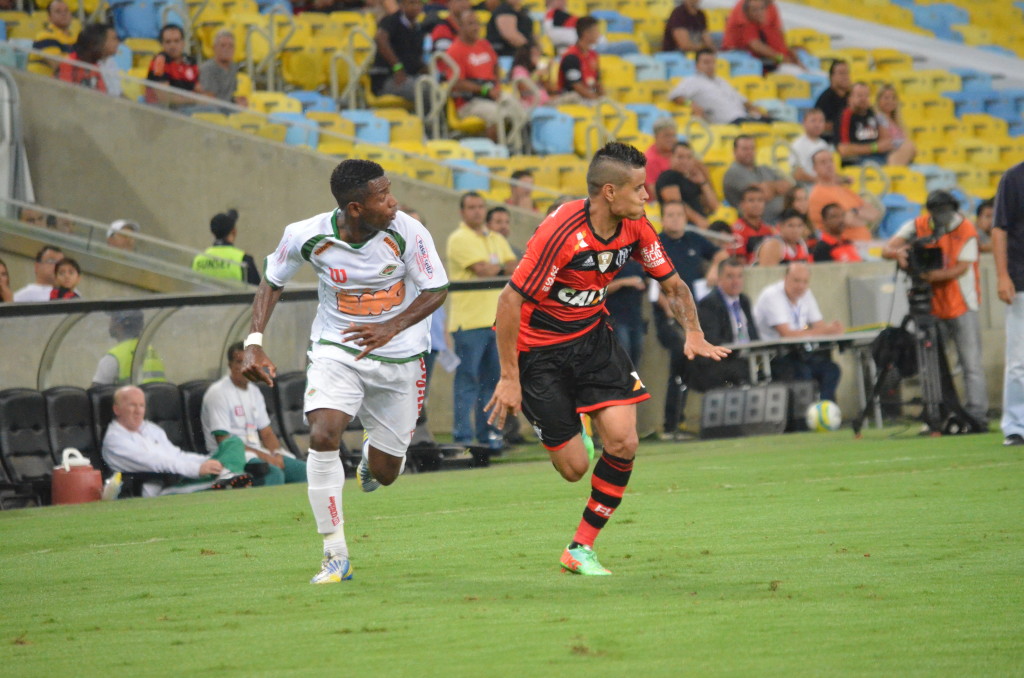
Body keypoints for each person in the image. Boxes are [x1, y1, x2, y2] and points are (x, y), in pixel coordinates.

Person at [485, 142, 729, 575]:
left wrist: (693, 330)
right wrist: (509, 377)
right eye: (639, 188)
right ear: (609, 193)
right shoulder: (561, 232)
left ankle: (580, 548)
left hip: (593, 340)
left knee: (624, 441)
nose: (647, 197)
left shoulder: (636, 226)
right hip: (538, 353)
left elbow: (674, 286)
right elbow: (509, 302)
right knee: (575, 468)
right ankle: (574, 422)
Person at [240, 159, 449, 584]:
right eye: (383, 196)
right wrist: (254, 342)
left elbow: (436, 289)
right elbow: (272, 279)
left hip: (401, 357)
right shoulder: (306, 235)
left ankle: (373, 459)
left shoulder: (406, 231)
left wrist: (389, 327)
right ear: (356, 208)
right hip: (338, 349)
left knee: (388, 474)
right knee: (323, 434)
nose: (393, 203)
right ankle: (335, 554)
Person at [882, 190, 987, 427]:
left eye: (945, 211)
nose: (941, 216)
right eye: (937, 211)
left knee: (970, 363)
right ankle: (940, 411)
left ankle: (976, 415)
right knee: (932, 363)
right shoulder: (918, 226)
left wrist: (928, 275)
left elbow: (959, 268)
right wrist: (899, 253)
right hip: (931, 304)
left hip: (961, 302)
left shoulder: (966, 230)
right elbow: (887, 249)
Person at [446, 191, 517, 449]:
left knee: (494, 383)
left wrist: (496, 267)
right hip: (469, 323)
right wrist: (498, 268)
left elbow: (514, 265)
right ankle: (463, 438)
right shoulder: (458, 239)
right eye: (471, 207)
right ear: (462, 212)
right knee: (467, 382)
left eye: (480, 207)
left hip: (496, 323)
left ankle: (490, 437)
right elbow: (482, 270)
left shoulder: (496, 237)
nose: (476, 211)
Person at [653, 200, 727, 439]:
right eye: (670, 215)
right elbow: (653, 283)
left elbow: (723, 253)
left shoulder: (695, 240)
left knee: (692, 364)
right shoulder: (657, 243)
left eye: (679, 214)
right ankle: (670, 423)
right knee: (679, 360)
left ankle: (684, 421)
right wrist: (667, 307)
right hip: (669, 317)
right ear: (662, 219)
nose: (675, 219)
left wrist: (714, 267)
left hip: (694, 317)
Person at [102, 385, 252, 498]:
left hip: (186, 474)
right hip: (164, 488)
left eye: (141, 405)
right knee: (237, 476)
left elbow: (177, 455)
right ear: (117, 409)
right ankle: (230, 474)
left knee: (233, 443)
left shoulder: (150, 429)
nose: (139, 411)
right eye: (132, 405)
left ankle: (228, 473)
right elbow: (158, 463)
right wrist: (197, 469)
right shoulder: (115, 440)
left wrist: (208, 461)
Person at [201, 342, 307, 487]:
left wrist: (276, 453)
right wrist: (268, 458)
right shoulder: (218, 393)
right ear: (230, 365)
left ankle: (296, 509)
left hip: (257, 452)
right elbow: (225, 442)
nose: (244, 367)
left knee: (304, 472)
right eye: (239, 362)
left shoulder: (254, 391)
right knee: (273, 473)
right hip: (231, 457)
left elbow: (267, 433)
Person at [752, 262, 842, 401]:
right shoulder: (772, 296)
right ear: (785, 278)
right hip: (772, 356)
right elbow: (787, 334)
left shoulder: (806, 294)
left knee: (831, 370)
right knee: (802, 373)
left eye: (805, 282)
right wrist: (825, 330)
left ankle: (823, 412)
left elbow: (820, 326)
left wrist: (830, 330)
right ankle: (804, 419)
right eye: (796, 280)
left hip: (798, 353)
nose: (800, 286)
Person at [444, 10, 529, 143]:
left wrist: (497, 85)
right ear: (460, 27)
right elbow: (457, 83)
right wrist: (485, 90)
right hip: (469, 101)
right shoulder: (454, 51)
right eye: (471, 24)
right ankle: (497, 153)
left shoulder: (483, 44)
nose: (476, 27)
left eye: (477, 23)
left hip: (491, 93)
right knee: (498, 115)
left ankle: (518, 147)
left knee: (520, 109)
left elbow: (495, 65)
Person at [690, 256, 759, 391]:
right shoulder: (709, 303)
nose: (736, 281)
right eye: (730, 277)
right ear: (719, 279)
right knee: (744, 372)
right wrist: (740, 351)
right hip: (722, 361)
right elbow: (713, 341)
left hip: (746, 357)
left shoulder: (744, 301)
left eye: (739, 276)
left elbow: (754, 335)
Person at [992, 162, 1024, 446]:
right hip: (1022, 279)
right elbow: (999, 229)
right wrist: (1003, 275)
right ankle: (1015, 426)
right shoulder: (1014, 178)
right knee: (1019, 359)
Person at [668, 49, 772, 125]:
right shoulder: (693, 81)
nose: (710, 66)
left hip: (743, 116)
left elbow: (742, 100)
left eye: (712, 62)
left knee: (775, 122)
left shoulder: (722, 81)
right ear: (697, 65)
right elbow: (675, 96)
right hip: (727, 122)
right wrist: (692, 104)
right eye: (705, 62)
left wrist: (756, 110)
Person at [806, 149, 882, 240]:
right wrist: (861, 214)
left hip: (863, 242)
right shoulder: (818, 194)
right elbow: (848, 221)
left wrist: (854, 212)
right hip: (843, 245)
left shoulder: (844, 190)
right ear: (815, 168)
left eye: (831, 161)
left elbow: (875, 213)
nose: (829, 165)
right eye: (823, 162)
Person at [838, 82, 914, 167]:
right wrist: (875, 147)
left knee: (909, 147)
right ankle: (892, 175)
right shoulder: (846, 116)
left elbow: (887, 141)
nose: (863, 99)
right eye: (859, 95)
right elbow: (843, 149)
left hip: (882, 156)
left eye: (866, 96)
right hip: (862, 160)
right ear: (850, 98)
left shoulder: (872, 113)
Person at [723, 135, 792, 224]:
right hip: (759, 222)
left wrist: (770, 187)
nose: (749, 152)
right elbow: (761, 194)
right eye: (745, 149)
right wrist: (776, 187)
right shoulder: (734, 172)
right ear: (735, 151)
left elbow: (789, 185)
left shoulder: (764, 168)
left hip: (782, 218)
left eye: (752, 148)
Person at [371, 0, 428, 103]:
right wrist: (397, 67)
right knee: (424, 90)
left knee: (439, 88)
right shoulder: (391, 21)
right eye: (412, 3)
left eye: (419, 4)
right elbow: (380, 39)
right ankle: (427, 119)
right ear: (402, 6)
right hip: (387, 79)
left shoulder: (418, 28)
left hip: (411, 77)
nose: (416, 7)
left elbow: (414, 58)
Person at [722, 0, 801, 74]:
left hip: (771, 57)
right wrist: (781, 59)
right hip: (742, 54)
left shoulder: (771, 7)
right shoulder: (749, 8)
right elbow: (754, 44)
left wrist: (791, 56)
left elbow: (779, 36)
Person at [91, 310, 167, 387]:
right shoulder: (151, 350)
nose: (110, 323)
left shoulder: (113, 357)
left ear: (119, 325)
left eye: (112, 319)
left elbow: (95, 391)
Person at [653, 140, 718, 226]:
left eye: (689, 157)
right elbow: (676, 204)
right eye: (680, 157)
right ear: (671, 158)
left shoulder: (692, 179)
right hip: (682, 228)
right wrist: (700, 221)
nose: (685, 161)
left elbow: (714, 207)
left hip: (699, 226)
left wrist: (703, 182)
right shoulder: (668, 177)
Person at [192, 209, 261, 285]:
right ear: (234, 231)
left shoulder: (198, 259)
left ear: (213, 232)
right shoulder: (243, 259)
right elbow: (257, 292)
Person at [145, 24, 200, 107]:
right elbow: (164, 97)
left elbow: (199, 89)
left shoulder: (190, 61)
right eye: (168, 42)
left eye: (176, 41)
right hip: (164, 111)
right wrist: (194, 100)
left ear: (183, 43)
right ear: (162, 44)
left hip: (188, 107)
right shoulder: (159, 61)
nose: (172, 45)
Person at [606, 259, 647, 368]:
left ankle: (633, 383)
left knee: (636, 354)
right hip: (617, 318)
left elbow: (646, 286)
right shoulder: (611, 264)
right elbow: (603, 290)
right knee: (622, 356)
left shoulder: (638, 265)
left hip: (635, 318)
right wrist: (624, 282)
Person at [557, 15, 602, 101]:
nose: (599, 34)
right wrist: (596, 100)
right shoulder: (571, 57)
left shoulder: (593, 55)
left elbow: (596, 83)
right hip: (572, 99)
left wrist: (603, 97)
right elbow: (576, 86)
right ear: (586, 33)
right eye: (596, 31)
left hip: (589, 97)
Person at [198, 30, 246, 108]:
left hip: (228, 108)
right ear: (214, 48)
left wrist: (237, 101)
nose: (227, 49)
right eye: (223, 45)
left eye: (231, 46)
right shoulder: (208, 69)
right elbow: (208, 98)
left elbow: (230, 95)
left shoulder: (234, 67)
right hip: (212, 109)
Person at [728, 186, 776, 264]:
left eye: (760, 200)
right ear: (742, 204)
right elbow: (738, 261)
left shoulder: (769, 230)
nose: (756, 204)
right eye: (751, 200)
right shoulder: (736, 230)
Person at [56, 22, 108, 92]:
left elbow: (103, 94)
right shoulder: (69, 63)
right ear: (91, 45)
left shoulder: (95, 65)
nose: (103, 49)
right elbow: (65, 94)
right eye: (100, 45)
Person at [29, 0, 76, 77]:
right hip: (41, 83)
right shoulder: (45, 36)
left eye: (66, 10)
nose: (63, 14)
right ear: (49, 18)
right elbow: (58, 65)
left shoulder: (73, 38)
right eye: (58, 11)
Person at [788, 108, 833, 187]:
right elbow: (796, 173)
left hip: (823, 186)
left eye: (821, 121)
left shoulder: (824, 144)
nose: (817, 125)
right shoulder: (797, 145)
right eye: (813, 121)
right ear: (804, 123)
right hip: (805, 187)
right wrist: (818, 180)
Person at [874, 84, 915, 163]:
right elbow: (887, 142)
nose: (890, 101)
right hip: (889, 157)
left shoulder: (897, 121)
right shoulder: (879, 118)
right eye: (886, 98)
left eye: (893, 98)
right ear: (878, 100)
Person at [814, 59, 851, 144]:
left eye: (847, 73)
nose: (845, 76)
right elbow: (820, 125)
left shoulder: (852, 96)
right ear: (831, 77)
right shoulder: (825, 99)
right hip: (829, 142)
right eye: (841, 73)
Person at [644, 117, 679, 200]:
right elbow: (656, 194)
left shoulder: (677, 153)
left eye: (673, 135)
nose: (671, 139)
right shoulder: (650, 159)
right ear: (656, 136)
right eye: (667, 135)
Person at [97, 23, 123, 98]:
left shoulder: (111, 61)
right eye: (114, 39)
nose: (118, 43)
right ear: (102, 41)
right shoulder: (93, 64)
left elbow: (119, 92)